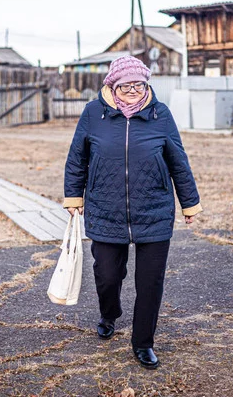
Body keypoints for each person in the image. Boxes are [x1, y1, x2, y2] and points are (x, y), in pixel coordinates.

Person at [63, 55, 202, 369]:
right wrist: (74, 198)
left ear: (146, 84)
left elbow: (178, 161)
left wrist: (189, 203)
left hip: (154, 210)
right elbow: (76, 159)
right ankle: (109, 314)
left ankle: (143, 343)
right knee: (107, 275)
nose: (132, 90)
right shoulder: (92, 113)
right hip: (105, 209)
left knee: (150, 282)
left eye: (138, 84)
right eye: (126, 85)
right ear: (112, 85)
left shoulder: (160, 114)